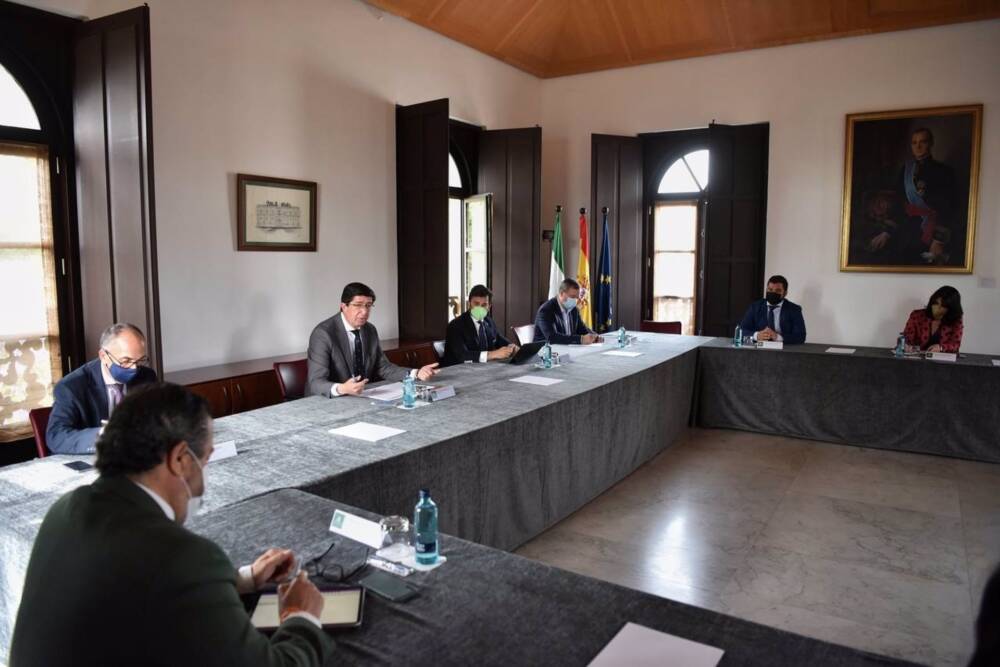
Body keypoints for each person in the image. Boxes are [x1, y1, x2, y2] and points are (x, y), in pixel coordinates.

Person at [10, 383, 333, 666]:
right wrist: (300, 616)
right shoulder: (183, 557)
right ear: (180, 460)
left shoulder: (66, 509)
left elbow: (138, 592)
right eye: (205, 460)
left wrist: (243, 580)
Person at [307, 282, 438, 397]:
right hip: (327, 399)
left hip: (361, 395)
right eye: (358, 305)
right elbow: (316, 382)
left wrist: (416, 373)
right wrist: (342, 388)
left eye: (368, 305)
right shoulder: (323, 334)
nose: (364, 311)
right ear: (343, 306)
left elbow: (384, 368)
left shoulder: (369, 330)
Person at [46, 322, 158, 454]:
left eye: (139, 361)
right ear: (103, 356)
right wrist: (103, 435)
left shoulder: (146, 376)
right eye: (126, 361)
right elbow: (56, 436)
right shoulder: (72, 387)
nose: (134, 368)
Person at [442, 284, 518, 366]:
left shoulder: (488, 321)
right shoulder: (455, 325)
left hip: (483, 370)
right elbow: (462, 355)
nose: (480, 308)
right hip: (456, 372)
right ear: (469, 304)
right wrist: (493, 354)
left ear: (489, 306)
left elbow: (501, 340)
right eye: (476, 304)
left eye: (484, 305)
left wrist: (512, 348)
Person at [738, 275, 807, 344]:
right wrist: (756, 336)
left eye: (778, 291)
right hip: (759, 348)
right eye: (770, 289)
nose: (773, 293)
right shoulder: (755, 307)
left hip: (784, 350)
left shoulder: (794, 309)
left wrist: (778, 337)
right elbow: (741, 331)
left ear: (785, 293)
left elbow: (800, 336)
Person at [533, 278, 602, 345]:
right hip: (545, 352)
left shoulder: (574, 309)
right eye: (572, 297)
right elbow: (552, 337)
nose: (575, 300)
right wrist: (581, 339)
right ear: (561, 294)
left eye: (577, 297)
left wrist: (595, 336)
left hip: (567, 350)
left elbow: (582, 329)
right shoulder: (545, 310)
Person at [902, 285, 963, 353]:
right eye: (935, 303)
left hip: (942, 361)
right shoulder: (917, 315)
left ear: (951, 308)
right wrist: (906, 346)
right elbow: (906, 338)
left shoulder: (956, 320)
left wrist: (941, 347)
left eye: (943, 306)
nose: (937, 308)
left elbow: (955, 345)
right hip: (917, 359)